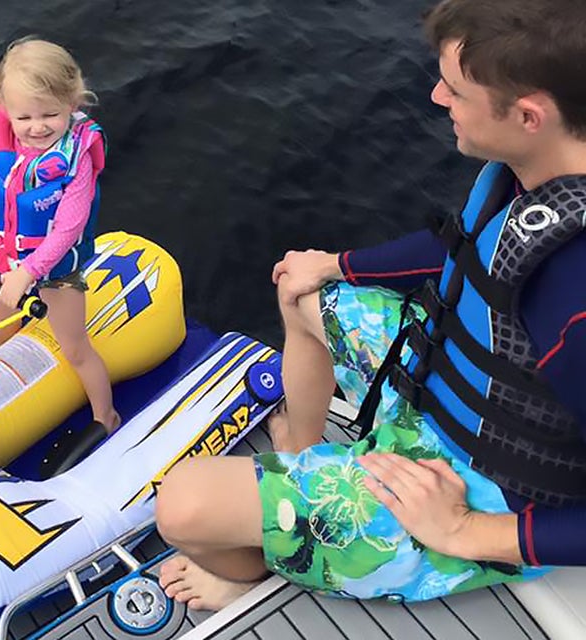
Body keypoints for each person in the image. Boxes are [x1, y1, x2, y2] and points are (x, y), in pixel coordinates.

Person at [155, 0, 586, 611]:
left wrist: (464, 529)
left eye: (456, 90)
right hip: (442, 383)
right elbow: (467, 248)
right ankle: (303, 455)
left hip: (476, 486)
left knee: (183, 505)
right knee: (301, 290)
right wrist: (336, 265)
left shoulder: (577, 303)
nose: (437, 97)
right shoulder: (538, 168)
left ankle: (251, 577)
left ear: (528, 115)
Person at [0, 37, 120, 436]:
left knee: (74, 347)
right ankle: (6, 374)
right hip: (3, 259)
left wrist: (30, 272)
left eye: (50, 114)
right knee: (2, 321)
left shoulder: (76, 159)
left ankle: (106, 415)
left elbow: (69, 227)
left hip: (55, 271)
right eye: (24, 117)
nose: (37, 127)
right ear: (5, 110)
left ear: (72, 103)